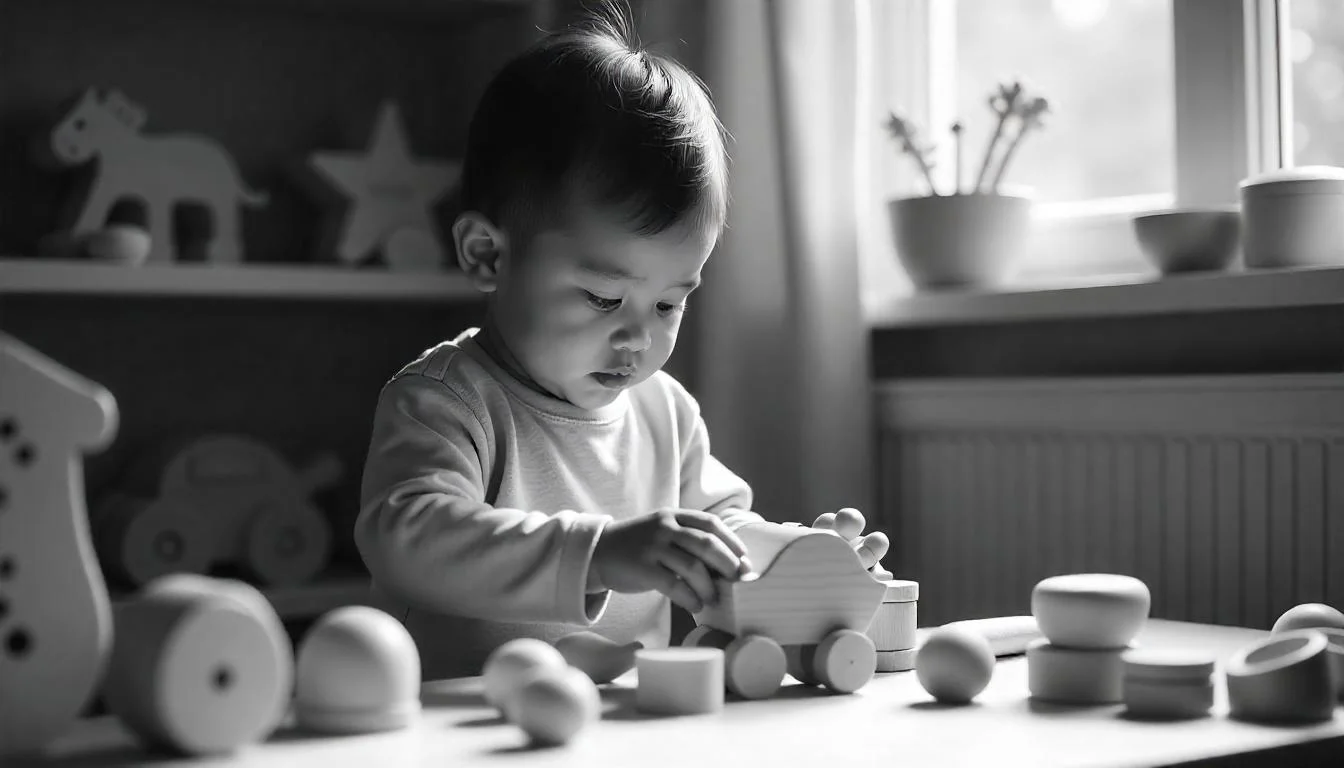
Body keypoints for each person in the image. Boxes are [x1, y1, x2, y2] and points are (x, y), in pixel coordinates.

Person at [355, 0, 764, 680]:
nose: (639, 337)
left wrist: (798, 554)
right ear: (487, 254)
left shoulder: (665, 413)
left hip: (618, 721)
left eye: (669, 303)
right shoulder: (445, 401)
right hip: (463, 722)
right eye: (604, 297)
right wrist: (597, 554)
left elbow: (719, 530)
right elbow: (406, 538)